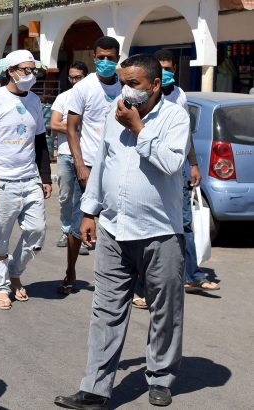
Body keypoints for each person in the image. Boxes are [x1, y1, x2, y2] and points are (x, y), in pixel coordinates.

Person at [54, 54, 190, 409]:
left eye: (134, 84)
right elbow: (102, 162)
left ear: (156, 85)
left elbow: (172, 162)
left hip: (160, 232)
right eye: (123, 82)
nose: (125, 90)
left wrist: (137, 128)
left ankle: (161, 378)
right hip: (115, 229)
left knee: (165, 311)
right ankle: (95, 388)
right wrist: (89, 211)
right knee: (106, 309)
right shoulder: (117, 109)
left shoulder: (175, 116)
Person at [0, 49, 52, 310]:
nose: (30, 75)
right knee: (0, 239)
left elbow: (40, 141)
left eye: (33, 70)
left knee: (37, 231)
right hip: (1, 181)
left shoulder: (35, 102)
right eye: (25, 70)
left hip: (29, 179)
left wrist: (46, 176)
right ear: (11, 71)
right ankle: (1, 287)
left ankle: (15, 271)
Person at [59, 36, 122, 295]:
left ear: (118, 58)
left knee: (117, 223)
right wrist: (80, 166)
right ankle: (70, 270)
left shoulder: (126, 88)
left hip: (117, 166)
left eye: (111, 57)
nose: (106, 62)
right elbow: (72, 129)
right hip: (86, 165)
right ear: (94, 58)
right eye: (101, 57)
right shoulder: (83, 88)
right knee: (80, 220)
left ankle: (118, 277)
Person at [153, 49, 220, 295]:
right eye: (161, 68)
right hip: (153, 166)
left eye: (169, 68)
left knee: (184, 222)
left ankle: (193, 274)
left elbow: (187, 133)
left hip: (179, 166)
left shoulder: (180, 95)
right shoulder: (147, 94)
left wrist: (193, 164)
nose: (166, 72)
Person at [51, 61, 89, 255]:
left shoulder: (90, 96)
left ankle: (79, 235)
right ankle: (66, 231)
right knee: (66, 196)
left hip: (86, 155)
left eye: (79, 77)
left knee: (83, 198)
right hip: (66, 154)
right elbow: (54, 124)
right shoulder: (63, 98)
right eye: (72, 77)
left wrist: (68, 126)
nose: (75, 81)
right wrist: (75, 127)